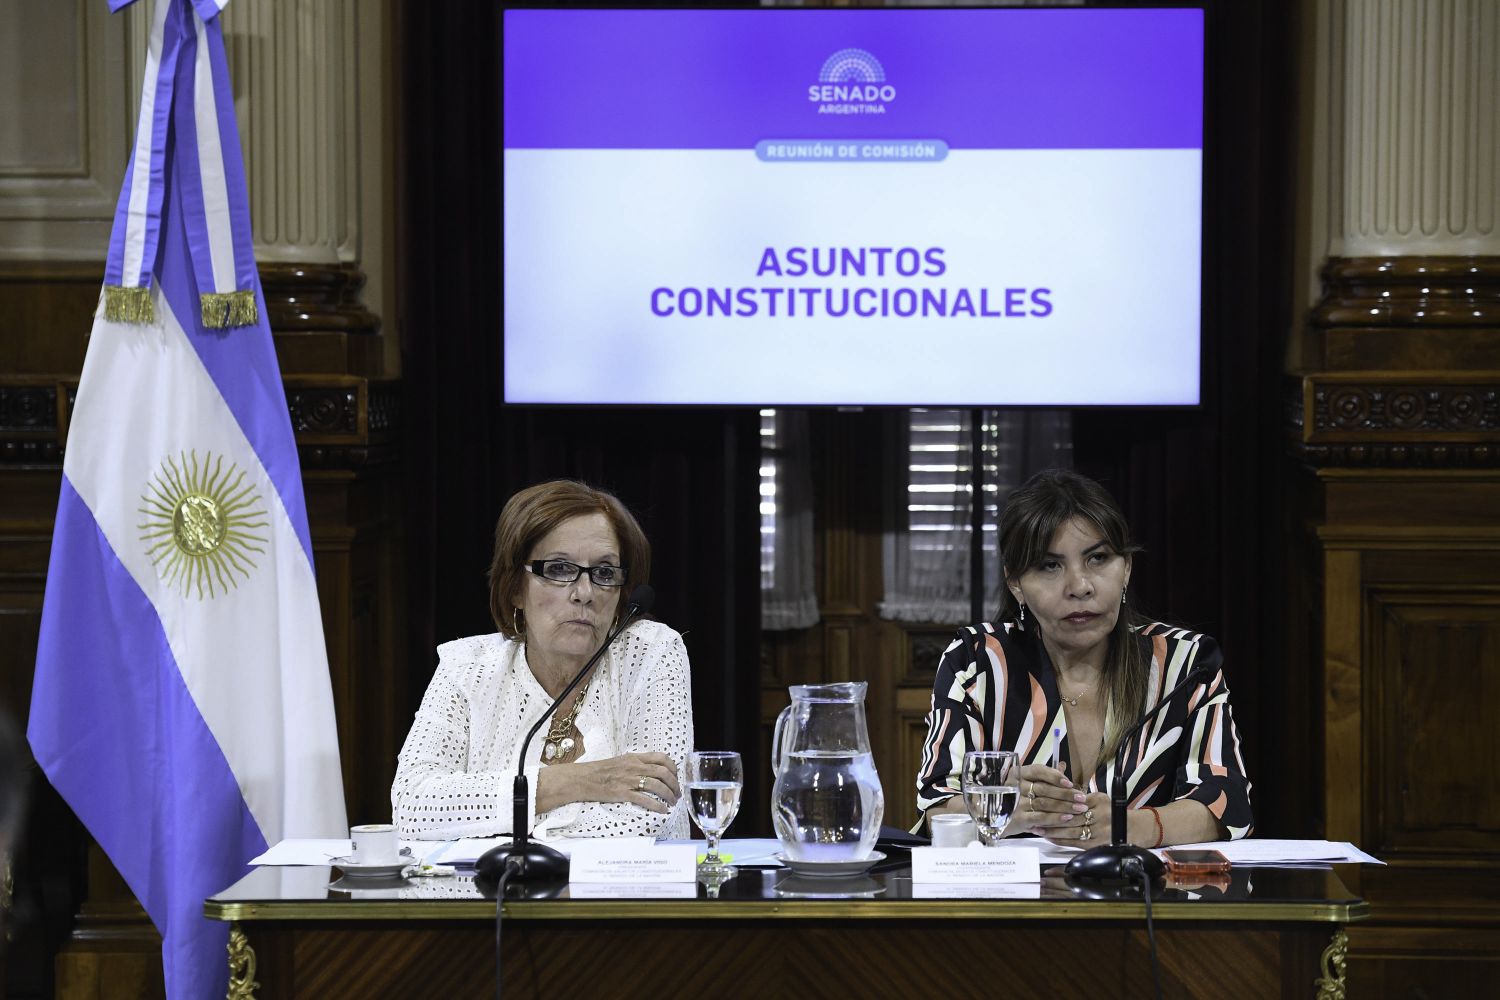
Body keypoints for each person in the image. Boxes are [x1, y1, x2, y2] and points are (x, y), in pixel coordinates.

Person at [915, 469, 1252, 848]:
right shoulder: (977, 663)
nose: (1080, 587)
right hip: (1012, 900)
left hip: (1145, 900)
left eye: (1098, 558)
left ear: (1126, 568)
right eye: (1049, 565)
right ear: (1015, 584)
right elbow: (937, 811)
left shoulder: (1186, 664)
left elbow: (1225, 803)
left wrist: (1130, 827)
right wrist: (1002, 806)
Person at [393, 480, 693, 840]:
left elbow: (649, 809)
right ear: (515, 587)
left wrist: (500, 823)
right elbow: (413, 807)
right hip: (485, 896)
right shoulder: (467, 667)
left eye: (604, 573)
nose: (584, 593)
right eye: (559, 569)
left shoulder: (651, 653)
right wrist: (582, 780)